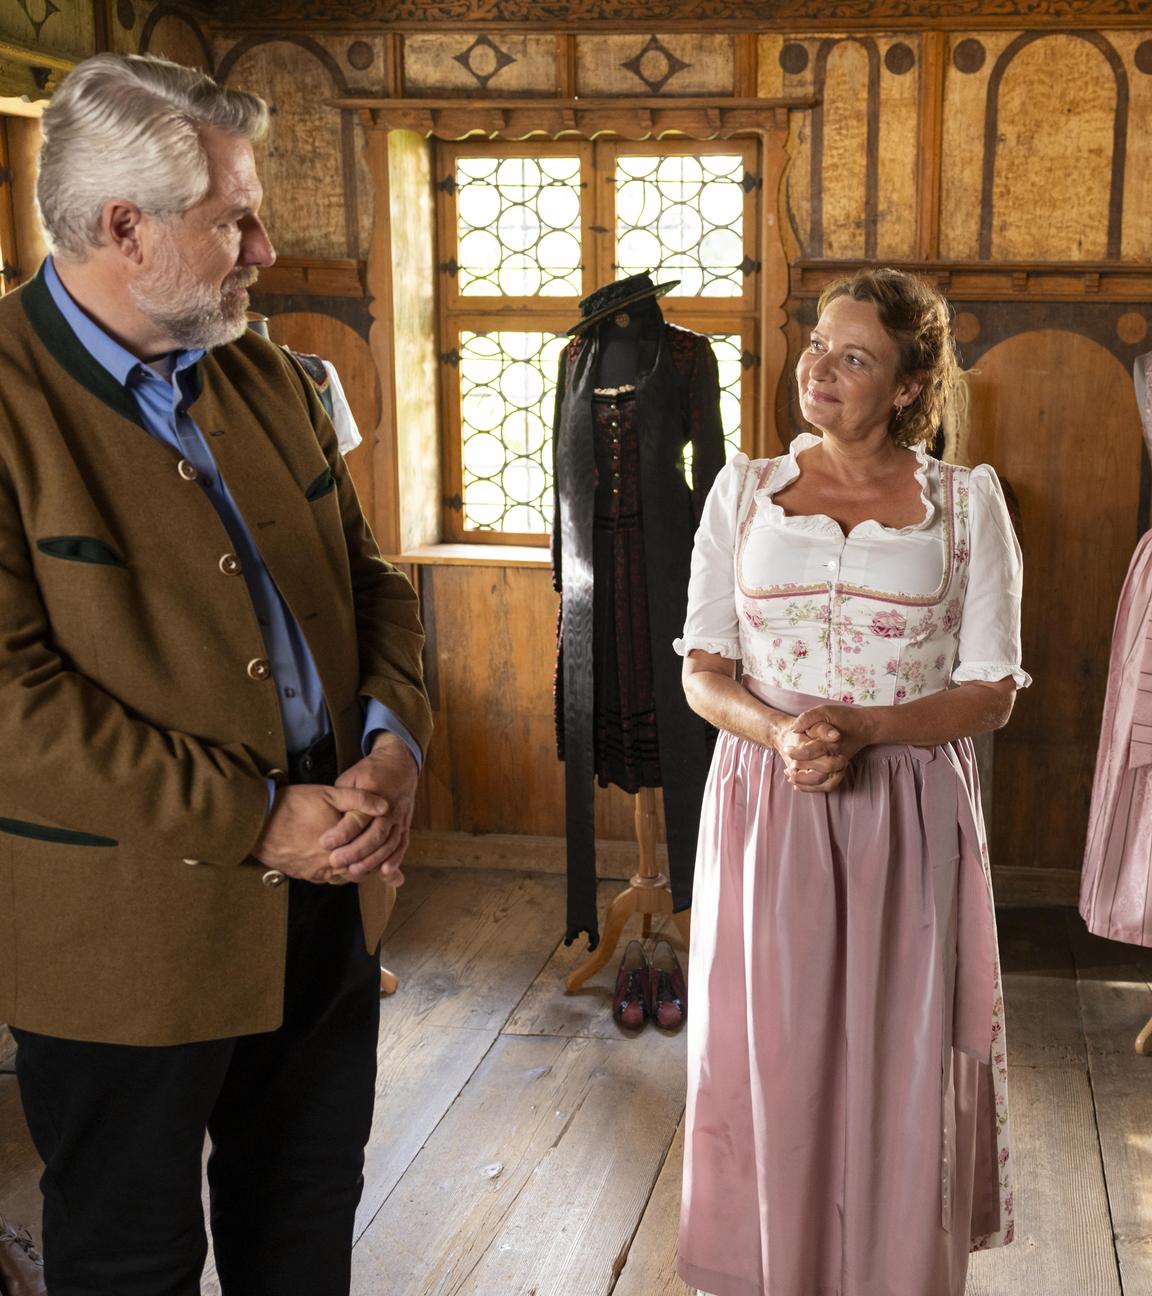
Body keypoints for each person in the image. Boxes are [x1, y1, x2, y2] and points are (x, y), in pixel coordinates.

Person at [0, 53, 431, 1296]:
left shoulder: (264, 375)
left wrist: (393, 740)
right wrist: (254, 820)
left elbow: (372, 581)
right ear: (123, 227)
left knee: (301, 1235)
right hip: (121, 942)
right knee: (129, 1260)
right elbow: (12, 708)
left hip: (327, 905)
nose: (268, 248)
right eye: (235, 217)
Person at [674, 268, 1029, 1296]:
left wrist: (867, 728)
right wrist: (780, 736)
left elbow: (992, 689)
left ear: (911, 386)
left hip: (907, 809)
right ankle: (769, 1268)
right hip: (764, 803)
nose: (818, 369)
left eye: (854, 356)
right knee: (771, 1050)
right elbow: (704, 669)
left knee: (896, 1059)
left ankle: (889, 1271)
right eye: (816, 345)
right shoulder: (743, 489)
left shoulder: (967, 505)